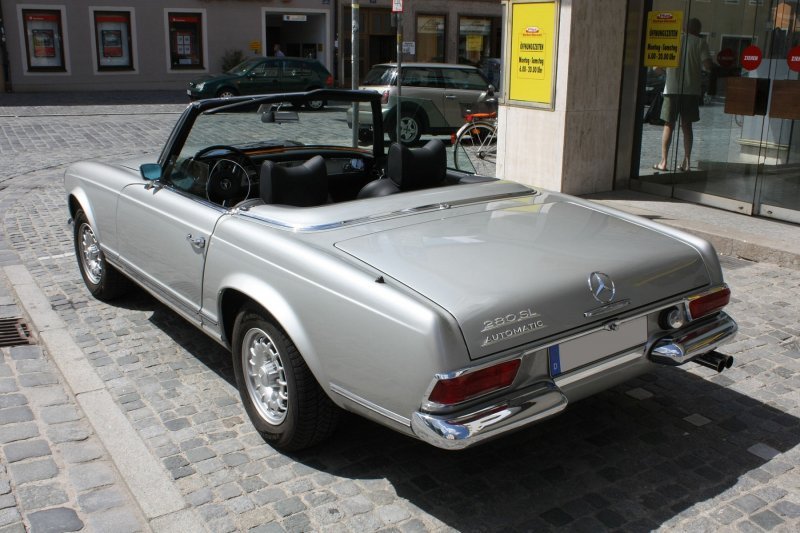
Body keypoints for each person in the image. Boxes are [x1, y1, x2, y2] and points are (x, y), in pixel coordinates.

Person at [654, 18, 712, 172]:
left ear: (684, 28)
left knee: (668, 125)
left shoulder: (673, 40)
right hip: (691, 91)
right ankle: (686, 163)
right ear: (698, 30)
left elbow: (656, 67)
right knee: (687, 126)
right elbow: (707, 66)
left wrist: (668, 74)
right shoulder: (701, 43)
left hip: (672, 89)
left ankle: (664, 162)